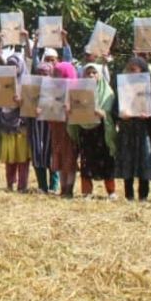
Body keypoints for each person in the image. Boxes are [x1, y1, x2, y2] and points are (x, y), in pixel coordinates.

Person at [114, 56, 151, 201]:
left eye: (134, 69)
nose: (131, 72)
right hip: (127, 130)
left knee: (143, 161)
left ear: (142, 70)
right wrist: (121, 115)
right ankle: (129, 195)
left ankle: (143, 195)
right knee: (127, 160)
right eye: (129, 69)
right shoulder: (122, 87)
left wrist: (149, 115)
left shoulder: (150, 88)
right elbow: (114, 108)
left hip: (143, 130)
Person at [70, 64, 117, 199]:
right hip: (85, 132)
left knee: (106, 161)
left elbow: (111, 113)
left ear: (99, 75)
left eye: (94, 73)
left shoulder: (108, 93)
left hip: (102, 132)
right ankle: (87, 192)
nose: (91, 75)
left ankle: (111, 192)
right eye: (88, 73)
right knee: (86, 162)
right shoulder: (77, 92)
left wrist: (102, 113)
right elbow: (75, 110)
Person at [0, 53, 30, 192]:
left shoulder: (27, 82)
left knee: (22, 158)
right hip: (6, 123)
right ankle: (9, 184)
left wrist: (22, 102)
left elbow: (32, 104)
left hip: (21, 124)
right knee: (9, 157)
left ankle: (22, 186)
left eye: (14, 66)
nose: (12, 69)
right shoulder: (1, 82)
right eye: (9, 66)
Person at [48, 61, 79, 197]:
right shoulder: (52, 90)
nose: (56, 77)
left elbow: (82, 110)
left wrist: (70, 110)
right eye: (54, 74)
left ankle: (69, 189)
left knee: (70, 158)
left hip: (70, 129)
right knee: (59, 157)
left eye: (58, 74)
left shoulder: (76, 91)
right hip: (57, 128)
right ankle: (63, 189)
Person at [27, 62, 57, 193]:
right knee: (38, 154)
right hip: (36, 127)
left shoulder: (57, 88)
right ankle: (42, 186)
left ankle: (54, 186)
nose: (42, 77)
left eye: (45, 74)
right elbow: (25, 107)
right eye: (39, 74)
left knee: (52, 154)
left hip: (52, 126)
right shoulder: (30, 89)